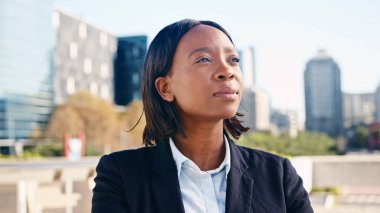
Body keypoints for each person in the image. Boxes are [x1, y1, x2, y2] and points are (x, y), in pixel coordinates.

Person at [92, 19, 314, 213]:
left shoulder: (279, 175)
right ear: (165, 88)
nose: (227, 70)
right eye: (204, 59)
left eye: (233, 59)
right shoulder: (121, 176)